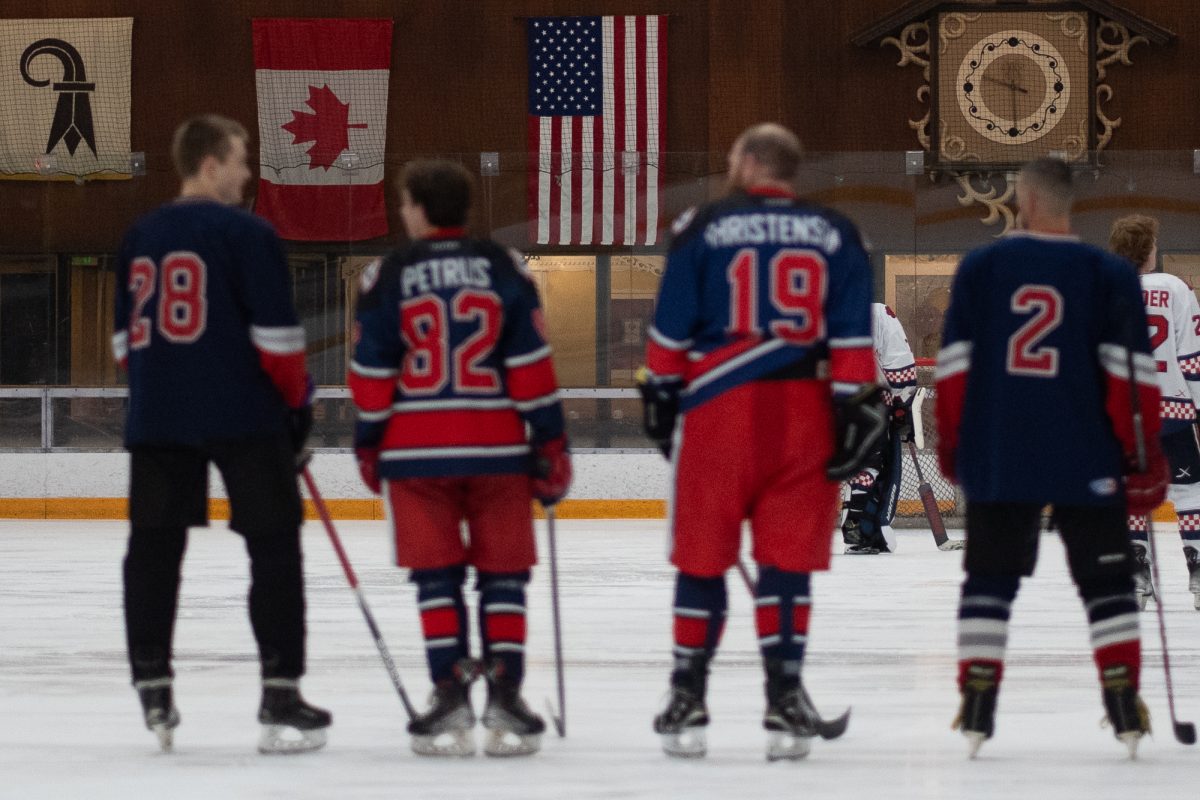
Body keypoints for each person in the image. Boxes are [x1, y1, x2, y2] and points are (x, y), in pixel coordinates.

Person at [638, 123, 885, 761]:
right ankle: (783, 699)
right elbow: (854, 343)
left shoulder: (702, 224)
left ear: (749, 163)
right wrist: (858, 411)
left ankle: (687, 694)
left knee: (702, 560)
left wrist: (661, 399)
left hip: (720, 410)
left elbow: (669, 330)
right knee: (786, 565)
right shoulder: (838, 231)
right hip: (805, 416)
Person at [935, 157, 1168, 759]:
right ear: (1068, 204)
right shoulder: (1109, 274)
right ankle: (1123, 701)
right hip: (1085, 452)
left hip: (999, 450)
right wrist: (1142, 457)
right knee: (1108, 583)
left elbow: (955, 367)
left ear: (1023, 198)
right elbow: (1132, 378)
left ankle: (978, 701)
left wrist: (953, 445)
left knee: (989, 579)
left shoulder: (981, 267)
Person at [111, 115, 330, 754]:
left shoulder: (139, 235)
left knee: (154, 549)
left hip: (159, 415)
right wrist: (297, 411)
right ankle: (280, 693)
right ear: (210, 164)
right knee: (273, 546)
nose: (247, 171)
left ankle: (152, 683)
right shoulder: (247, 233)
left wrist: (163, 385)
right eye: (240, 158)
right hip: (245, 412)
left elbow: (125, 343)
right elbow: (280, 341)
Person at [348, 159, 572, 758]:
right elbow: (530, 366)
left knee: (436, 577)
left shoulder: (385, 274)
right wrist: (549, 441)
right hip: (499, 448)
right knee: (503, 576)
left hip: (416, 452)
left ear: (419, 207)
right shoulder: (506, 267)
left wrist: (368, 441)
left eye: (403, 203)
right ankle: (504, 694)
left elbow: (372, 373)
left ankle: (448, 692)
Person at [1110, 214, 1200, 611]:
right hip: (1173, 411)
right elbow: (1192, 358)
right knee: (1189, 491)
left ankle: (1136, 574)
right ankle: (1197, 570)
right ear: (1148, 252)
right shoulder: (1175, 288)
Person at [842, 302, 919, 554]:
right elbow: (899, 365)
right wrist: (901, 403)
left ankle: (849, 521)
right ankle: (860, 525)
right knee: (871, 461)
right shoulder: (875, 313)